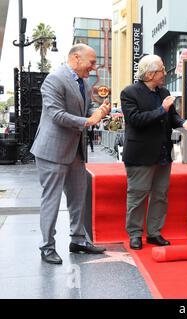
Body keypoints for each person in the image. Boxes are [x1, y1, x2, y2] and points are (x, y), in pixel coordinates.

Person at [31, 43, 111, 264]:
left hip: (75, 151)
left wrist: (99, 112)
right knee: (52, 199)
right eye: (92, 62)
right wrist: (88, 121)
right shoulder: (54, 79)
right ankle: (47, 246)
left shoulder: (83, 82)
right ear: (76, 58)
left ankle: (78, 241)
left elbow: (86, 111)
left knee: (78, 198)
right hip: (52, 151)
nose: (94, 68)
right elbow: (56, 115)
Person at [121, 55, 187, 250]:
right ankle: (135, 234)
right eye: (162, 70)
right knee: (137, 195)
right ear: (150, 74)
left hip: (163, 153)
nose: (165, 73)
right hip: (140, 154)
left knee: (160, 195)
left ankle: (154, 233)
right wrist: (161, 109)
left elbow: (172, 117)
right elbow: (136, 120)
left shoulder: (163, 91)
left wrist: (183, 123)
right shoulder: (129, 93)